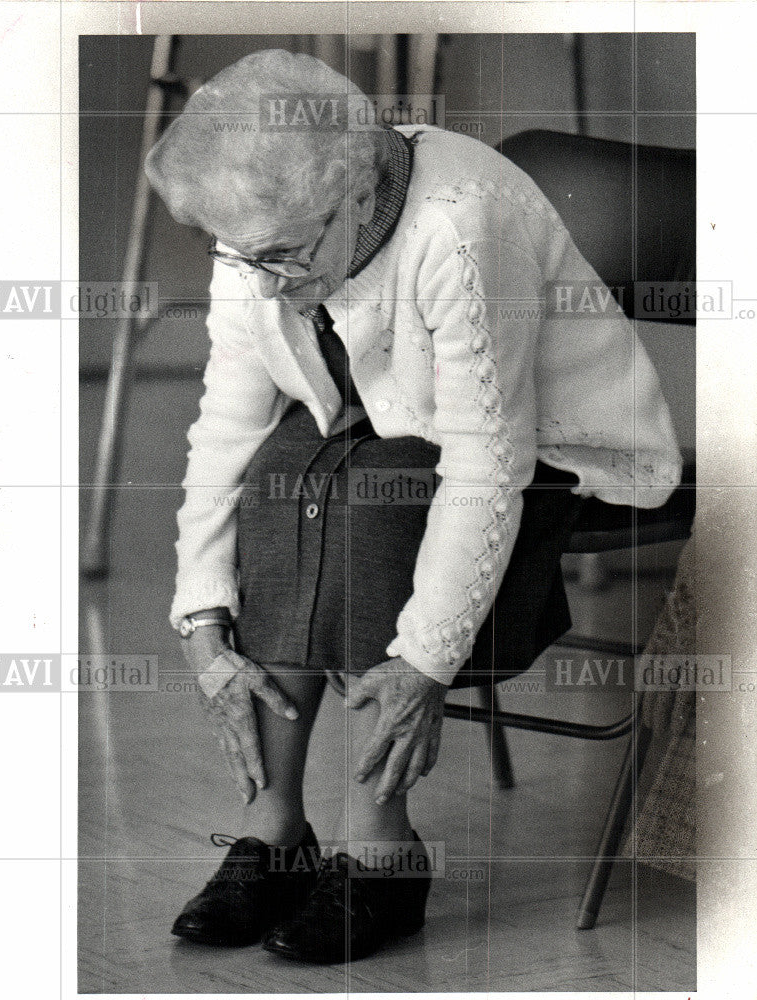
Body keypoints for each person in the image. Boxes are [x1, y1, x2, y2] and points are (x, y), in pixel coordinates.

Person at [145, 48, 681, 963]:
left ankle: (380, 846)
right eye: (242, 260)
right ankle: (277, 834)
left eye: (283, 259)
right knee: (282, 475)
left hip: (548, 444)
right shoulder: (262, 222)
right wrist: (201, 620)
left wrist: (425, 664)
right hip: (391, 412)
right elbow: (225, 424)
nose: (263, 281)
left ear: (356, 194)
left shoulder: (459, 226)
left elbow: (483, 462)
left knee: (371, 502)